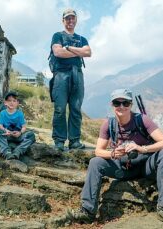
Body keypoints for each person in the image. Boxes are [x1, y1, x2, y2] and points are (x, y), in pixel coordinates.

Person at [68, 89, 163, 224]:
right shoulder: (109, 124)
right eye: (117, 103)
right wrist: (113, 153)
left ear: (131, 105)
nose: (121, 107)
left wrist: (142, 148)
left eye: (125, 103)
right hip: (122, 168)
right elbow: (98, 151)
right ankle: (88, 210)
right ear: (112, 105)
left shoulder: (142, 120)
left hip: (146, 167)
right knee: (95, 162)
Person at [50, 9, 91, 151]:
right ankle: (59, 141)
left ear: (76, 20)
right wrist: (76, 52)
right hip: (61, 75)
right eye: (67, 18)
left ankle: (74, 141)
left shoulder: (82, 39)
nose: (70, 21)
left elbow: (88, 52)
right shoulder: (57, 36)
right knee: (60, 108)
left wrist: (69, 48)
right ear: (63, 21)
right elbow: (57, 52)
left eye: (73, 18)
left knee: (75, 108)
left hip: (77, 75)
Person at [0, 91, 36, 160]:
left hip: (18, 136)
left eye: (14, 101)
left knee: (31, 135)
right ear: (5, 103)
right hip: (7, 134)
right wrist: (6, 130)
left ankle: (18, 151)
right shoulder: (3, 113)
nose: (12, 103)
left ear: (17, 103)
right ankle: (7, 153)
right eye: (9, 101)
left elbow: (24, 127)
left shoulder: (20, 113)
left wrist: (20, 133)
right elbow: (0, 126)